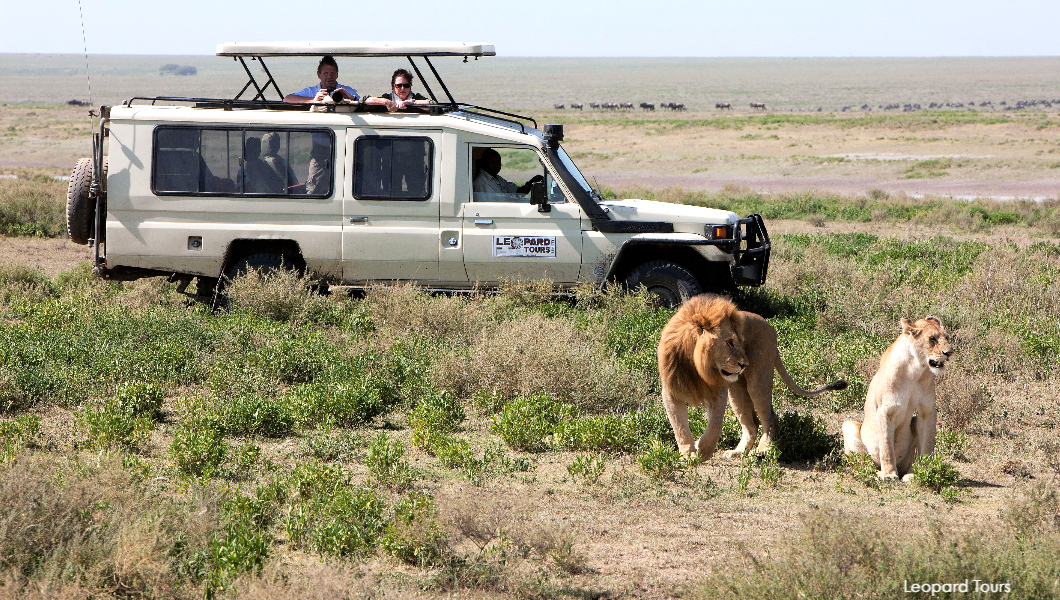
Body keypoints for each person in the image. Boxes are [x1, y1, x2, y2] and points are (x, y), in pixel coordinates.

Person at [473, 148, 544, 201]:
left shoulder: (497, 179)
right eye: (492, 163)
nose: (496, 166)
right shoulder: (481, 182)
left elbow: (518, 192)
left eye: (498, 163)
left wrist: (531, 182)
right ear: (483, 163)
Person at [283, 55, 358, 104]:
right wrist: (313, 100)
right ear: (319, 75)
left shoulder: (346, 90)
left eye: (332, 73)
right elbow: (287, 99)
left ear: (337, 74)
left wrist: (350, 98)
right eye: (326, 73)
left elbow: (363, 103)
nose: (329, 77)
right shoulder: (311, 91)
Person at [365, 69, 430, 112]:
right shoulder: (387, 98)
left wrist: (409, 102)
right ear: (393, 87)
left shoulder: (416, 98)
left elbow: (433, 105)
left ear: (410, 86)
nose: (402, 88)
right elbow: (365, 100)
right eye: (399, 85)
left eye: (406, 85)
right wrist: (386, 102)